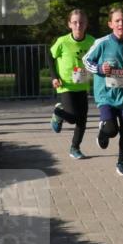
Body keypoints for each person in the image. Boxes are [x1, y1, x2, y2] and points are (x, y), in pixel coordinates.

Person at [83, 6, 123, 178]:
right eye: (117, 21)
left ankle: (122, 162)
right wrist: (100, 68)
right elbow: (86, 60)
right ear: (110, 24)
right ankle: (104, 130)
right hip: (106, 95)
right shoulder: (102, 43)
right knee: (112, 130)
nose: (121, 24)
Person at [49, 9, 94, 159]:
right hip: (66, 85)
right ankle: (58, 113)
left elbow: (98, 59)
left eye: (81, 22)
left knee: (82, 119)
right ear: (69, 24)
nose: (78, 25)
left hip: (82, 84)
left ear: (86, 24)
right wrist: (54, 76)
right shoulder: (62, 41)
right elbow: (50, 56)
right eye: (75, 22)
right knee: (72, 117)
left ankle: (75, 148)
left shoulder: (92, 42)